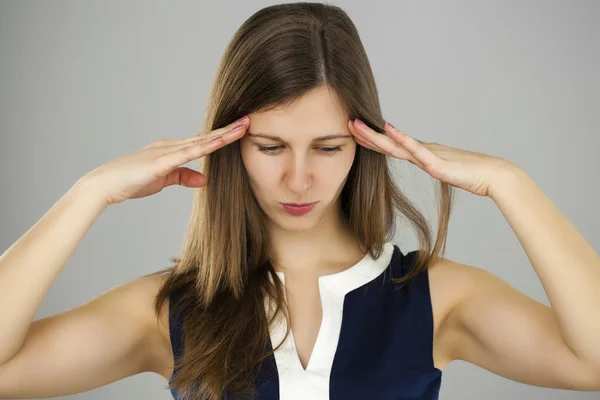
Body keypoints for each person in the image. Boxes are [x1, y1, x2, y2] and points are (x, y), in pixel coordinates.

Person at [1, 2, 599, 400]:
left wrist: (510, 182)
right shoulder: (174, 309)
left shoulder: (435, 298)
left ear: (364, 144)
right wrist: (91, 192)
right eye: (270, 146)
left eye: (328, 147)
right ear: (230, 143)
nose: (298, 179)